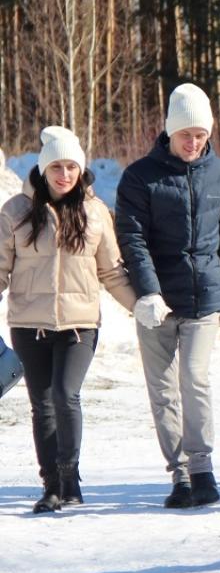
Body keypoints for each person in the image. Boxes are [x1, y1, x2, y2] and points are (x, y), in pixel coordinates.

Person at [115, 83, 220, 509]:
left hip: (205, 295)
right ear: (169, 131)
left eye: (200, 135)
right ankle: (181, 473)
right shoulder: (139, 177)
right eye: (185, 134)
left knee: (195, 378)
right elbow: (132, 239)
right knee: (163, 388)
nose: (192, 142)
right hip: (158, 302)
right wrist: (147, 292)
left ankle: (203, 467)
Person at [0, 126, 137, 513]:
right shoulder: (15, 212)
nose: (64, 175)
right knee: (42, 403)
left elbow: (111, 271)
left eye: (71, 167)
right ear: (44, 170)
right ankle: (52, 485)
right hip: (30, 324)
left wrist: (139, 306)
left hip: (80, 325)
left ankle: (70, 476)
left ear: (81, 170)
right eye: (56, 166)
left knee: (65, 394)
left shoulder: (94, 213)